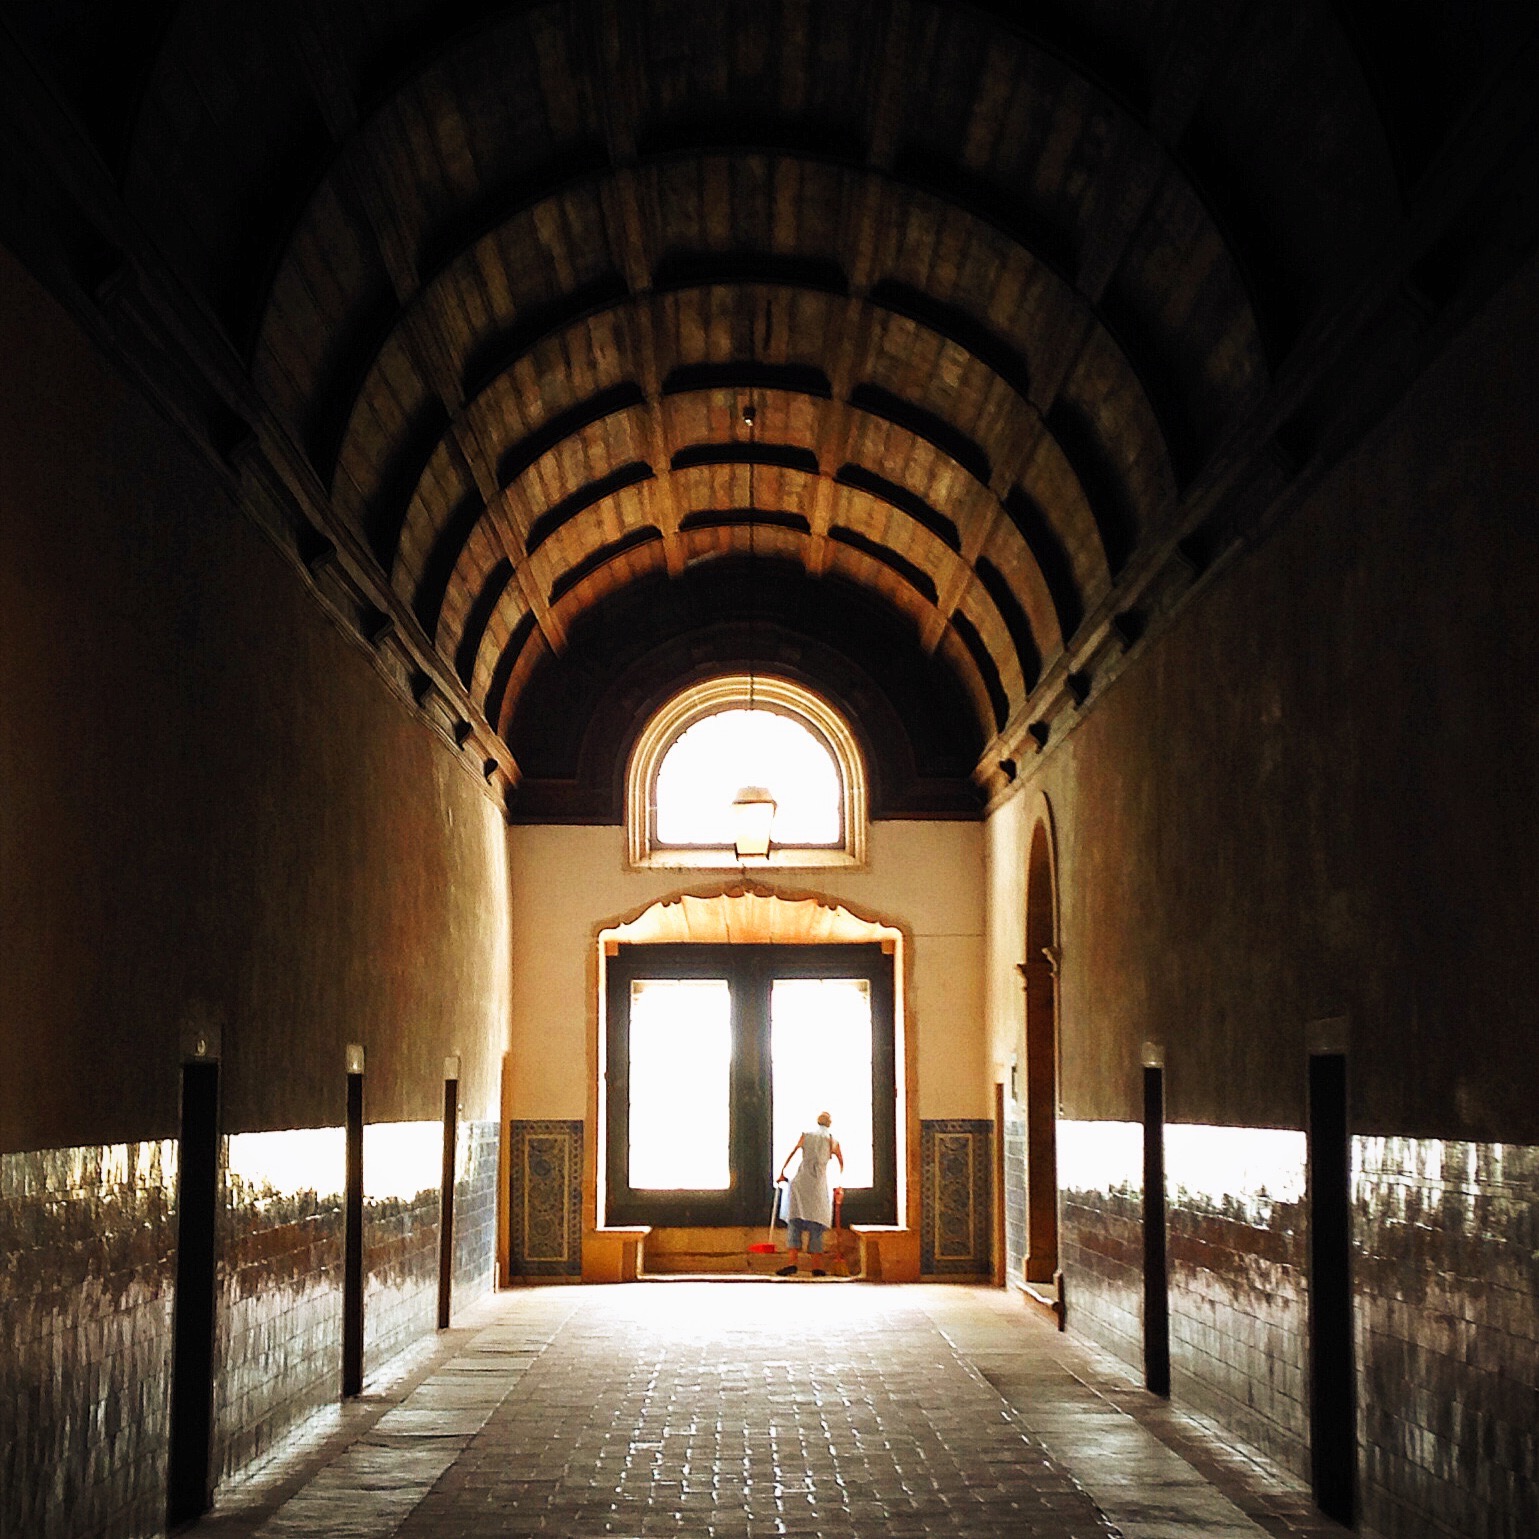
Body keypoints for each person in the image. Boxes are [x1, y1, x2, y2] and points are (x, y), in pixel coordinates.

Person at [775, 1110, 843, 1276]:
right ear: (830, 1123)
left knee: (795, 1222)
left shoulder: (806, 1135)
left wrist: (782, 1172)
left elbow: (792, 1153)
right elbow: (841, 1164)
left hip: (800, 1181)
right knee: (816, 1226)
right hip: (818, 1184)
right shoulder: (832, 1141)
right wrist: (839, 1186)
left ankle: (792, 1263)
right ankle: (816, 1266)